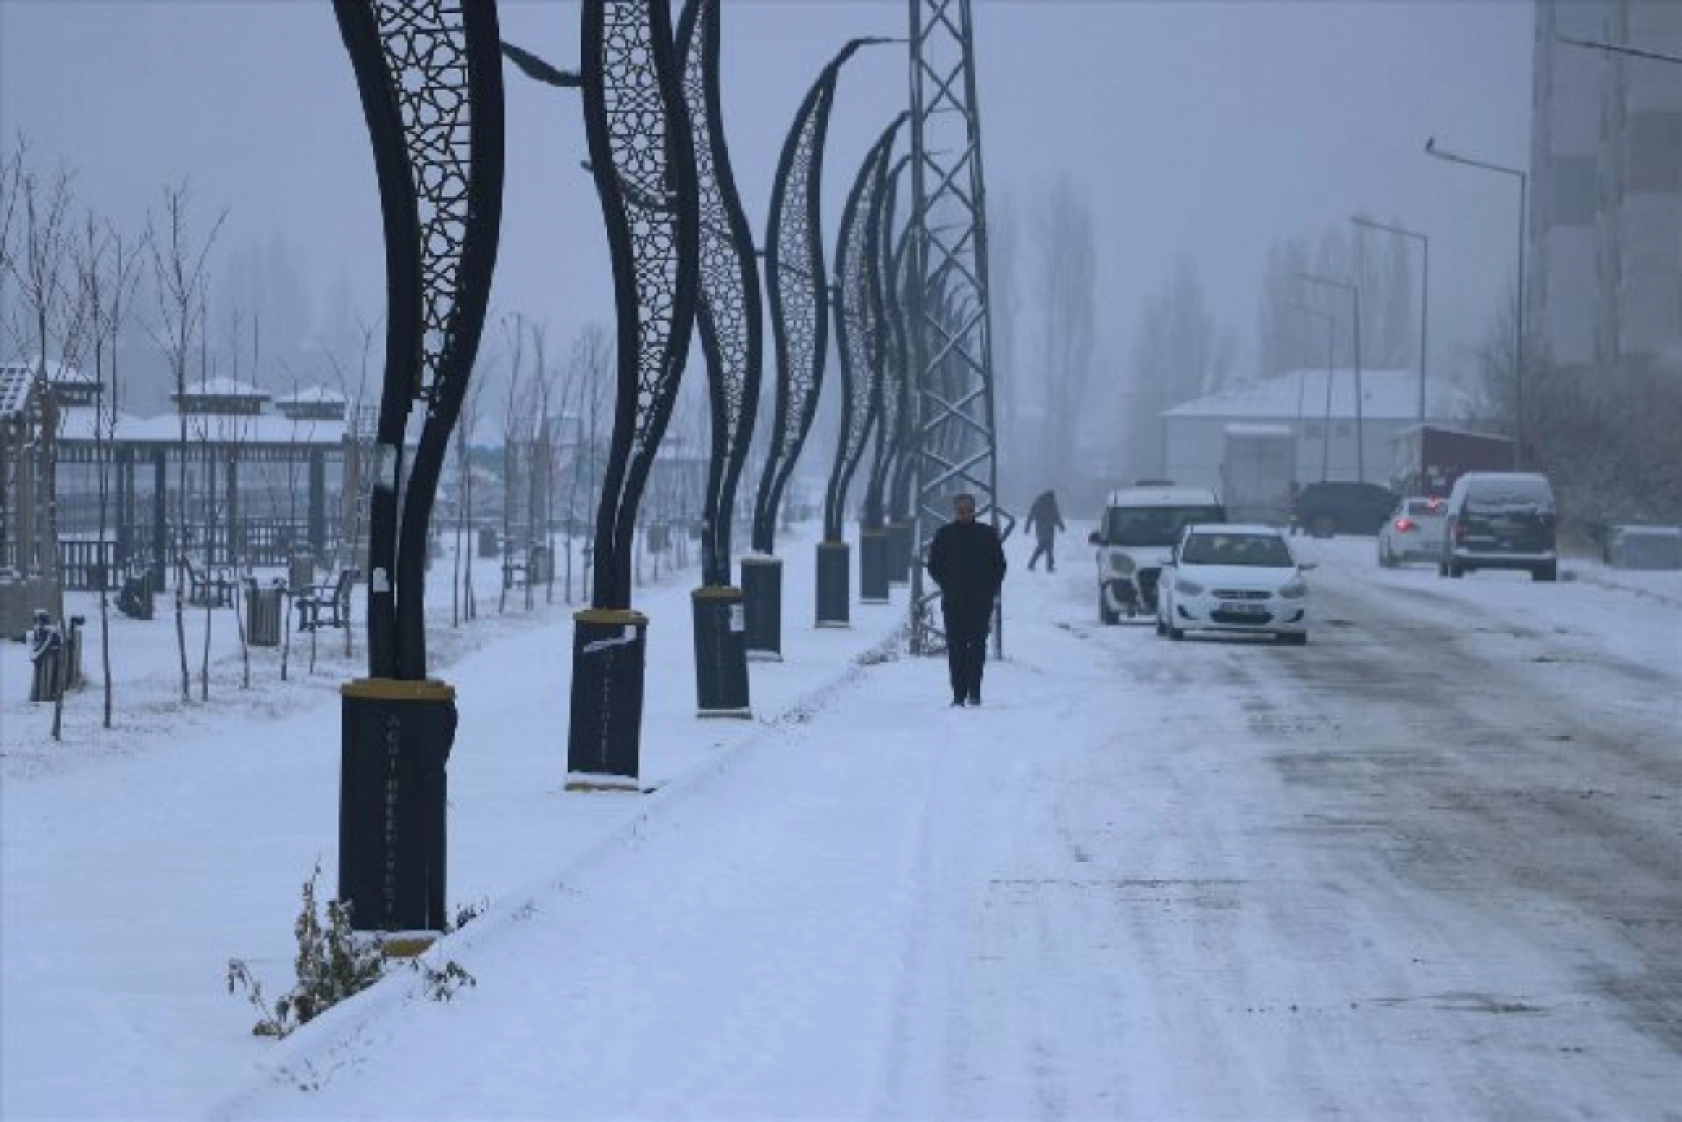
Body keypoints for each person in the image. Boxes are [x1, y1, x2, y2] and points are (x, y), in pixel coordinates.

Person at [926, 492, 1007, 707]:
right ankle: (958, 694)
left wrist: (989, 590)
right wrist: (947, 585)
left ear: (974, 511)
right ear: (954, 512)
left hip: (980, 603)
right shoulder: (945, 535)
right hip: (953, 602)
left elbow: (999, 565)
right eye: (960, 511)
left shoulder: (987, 534)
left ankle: (975, 692)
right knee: (956, 648)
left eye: (968, 510)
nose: (964, 514)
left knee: (978, 647)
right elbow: (934, 565)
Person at [1024, 488, 1065, 572]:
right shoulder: (1040, 502)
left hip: (1047, 529)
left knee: (1048, 548)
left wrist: (1060, 525)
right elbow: (1031, 514)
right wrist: (1027, 527)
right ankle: (1040, 565)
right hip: (1043, 529)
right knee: (1043, 547)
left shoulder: (1049, 503)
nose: (1052, 499)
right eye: (1052, 498)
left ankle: (1045, 566)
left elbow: (1056, 515)